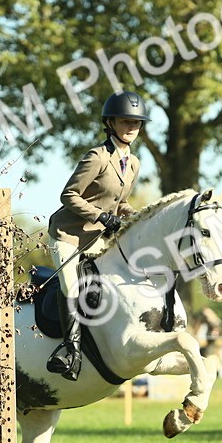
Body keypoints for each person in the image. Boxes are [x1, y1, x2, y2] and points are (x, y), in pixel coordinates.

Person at [45, 90, 147, 380]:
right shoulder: (97, 157)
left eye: (136, 123)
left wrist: (138, 216)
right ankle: (70, 350)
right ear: (110, 123)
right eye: (126, 121)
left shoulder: (134, 163)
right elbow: (69, 195)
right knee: (71, 285)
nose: (132, 127)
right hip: (69, 235)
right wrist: (100, 216)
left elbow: (119, 203)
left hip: (98, 239)